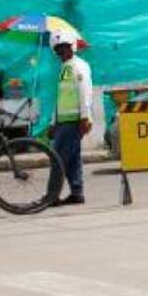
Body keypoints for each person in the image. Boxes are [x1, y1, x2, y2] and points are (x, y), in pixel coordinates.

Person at [50, 31, 93, 206]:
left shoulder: (78, 66)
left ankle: (51, 195)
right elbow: (61, 97)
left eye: (65, 48)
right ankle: (77, 193)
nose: (62, 52)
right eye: (58, 49)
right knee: (72, 159)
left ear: (72, 47)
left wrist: (85, 117)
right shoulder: (64, 68)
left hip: (73, 121)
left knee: (58, 160)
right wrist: (54, 122)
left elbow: (85, 92)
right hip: (63, 122)